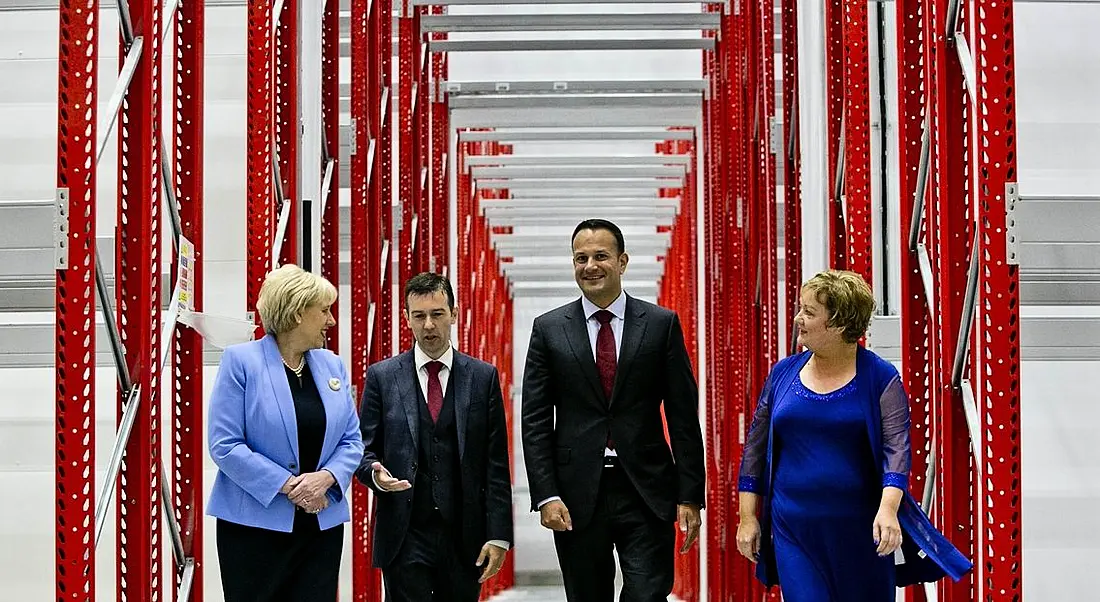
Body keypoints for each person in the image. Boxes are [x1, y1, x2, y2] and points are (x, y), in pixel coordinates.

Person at [735, 270, 971, 601]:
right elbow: (755, 451)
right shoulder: (783, 374)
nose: (799, 319)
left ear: (840, 325)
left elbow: (897, 452)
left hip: (861, 534)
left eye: (809, 313)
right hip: (794, 529)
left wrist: (888, 509)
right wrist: (747, 517)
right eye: (801, 309)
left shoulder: (880, 378)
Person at [521, 218, 706, 602]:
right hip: (576, 495)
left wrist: (690, 495)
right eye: (580, 258)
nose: (590, 266)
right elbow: (535, 421)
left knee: (647, 593)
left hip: (646, 488)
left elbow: (683, 415)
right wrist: (546, 494)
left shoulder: (659, 325)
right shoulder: (549, 330)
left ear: (622, 262)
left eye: (600, 256)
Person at [206, 264, 364, 601]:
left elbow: (352, 439)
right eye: (323, 311)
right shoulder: (240, 362)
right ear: (295, 314)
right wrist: (291, 486)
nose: (331, 321)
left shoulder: (332, 364)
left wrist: (326, 478)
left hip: (320, 524)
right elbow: (225, 444)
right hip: (253, 529)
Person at [355, 272, 513, 602]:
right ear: (407, 318)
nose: (429, 325)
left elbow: (495, 463)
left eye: (437, 314)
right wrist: (375, 475)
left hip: (464, 537)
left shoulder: (482, 378)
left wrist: (499, 535)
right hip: (405, 532)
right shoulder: (382, 377)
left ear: (453, 314)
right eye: (419, 316)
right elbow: (362, 450)